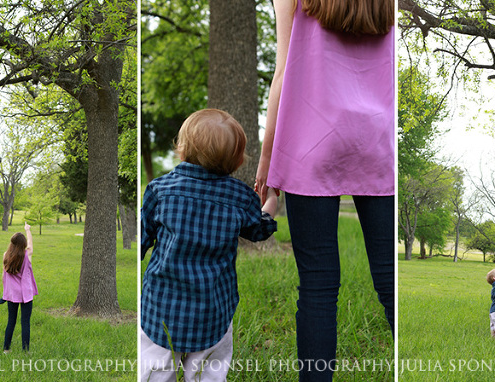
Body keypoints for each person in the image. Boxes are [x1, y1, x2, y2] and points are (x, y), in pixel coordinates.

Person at [254, 0, 394, 380]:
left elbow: (283, 73)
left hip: (312, 141)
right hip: (378, 142)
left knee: (318, 285)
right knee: (389, 279)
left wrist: (267, 159)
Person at [140, 109, 279, 382]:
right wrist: (272, 198)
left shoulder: (160, 189)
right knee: (209, 373)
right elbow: (260, 230)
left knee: (156, 369)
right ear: (237, 161)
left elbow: (144, 238)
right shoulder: (240, 197)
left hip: (161, 307)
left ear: (181, 149)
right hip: (213, 310)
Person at [2, 222, 38, 353]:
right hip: (25, 293)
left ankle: (6, 349)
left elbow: (3, 276)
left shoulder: (5, 255)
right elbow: (30, 245)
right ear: (23, 245)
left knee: (11, 321)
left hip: (12, 293)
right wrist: (28, 230)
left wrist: (5, 289)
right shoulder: (27, 255)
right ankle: (26, 350)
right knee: (25, 322)